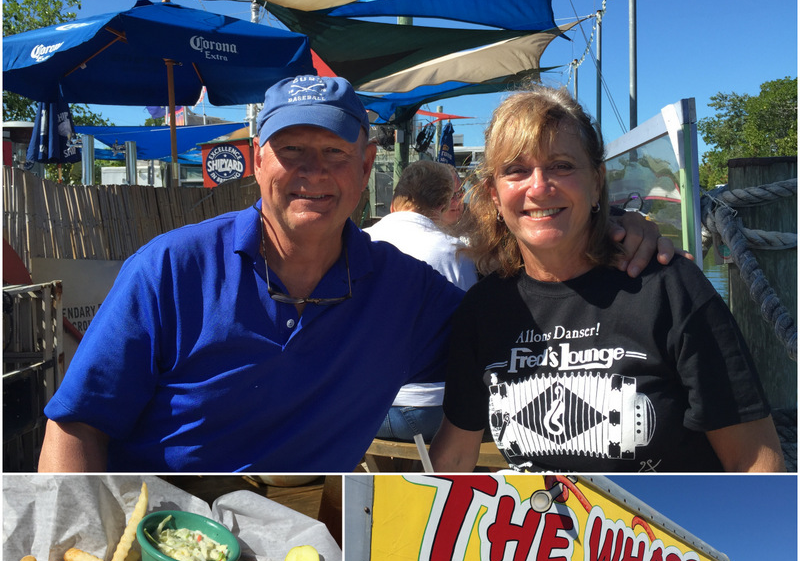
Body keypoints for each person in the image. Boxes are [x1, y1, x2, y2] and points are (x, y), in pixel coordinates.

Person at [38, 75, 672, 474]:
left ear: (367, 166)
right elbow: (75, 427)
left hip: (308, 533)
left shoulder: (406, 292)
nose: (313, 172)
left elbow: (515, 315)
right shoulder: (171, 268)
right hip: (156, 523)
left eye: (335, 154)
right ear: (258, 161)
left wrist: (607, 232)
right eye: (292, 152)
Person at [429, 84, 784, 473]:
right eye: (516, 170)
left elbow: (755, 462)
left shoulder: (670, 288)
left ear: (597, 181)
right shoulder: (483, 309)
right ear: (494, 195)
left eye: (562, 165)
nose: (539, 186)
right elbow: (456, 456)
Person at [367, 159, 477, 442]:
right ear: (442, 206)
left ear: (395, 201)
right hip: (428, 411)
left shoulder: (357, 242)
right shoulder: (456, 252)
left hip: (362, 410)